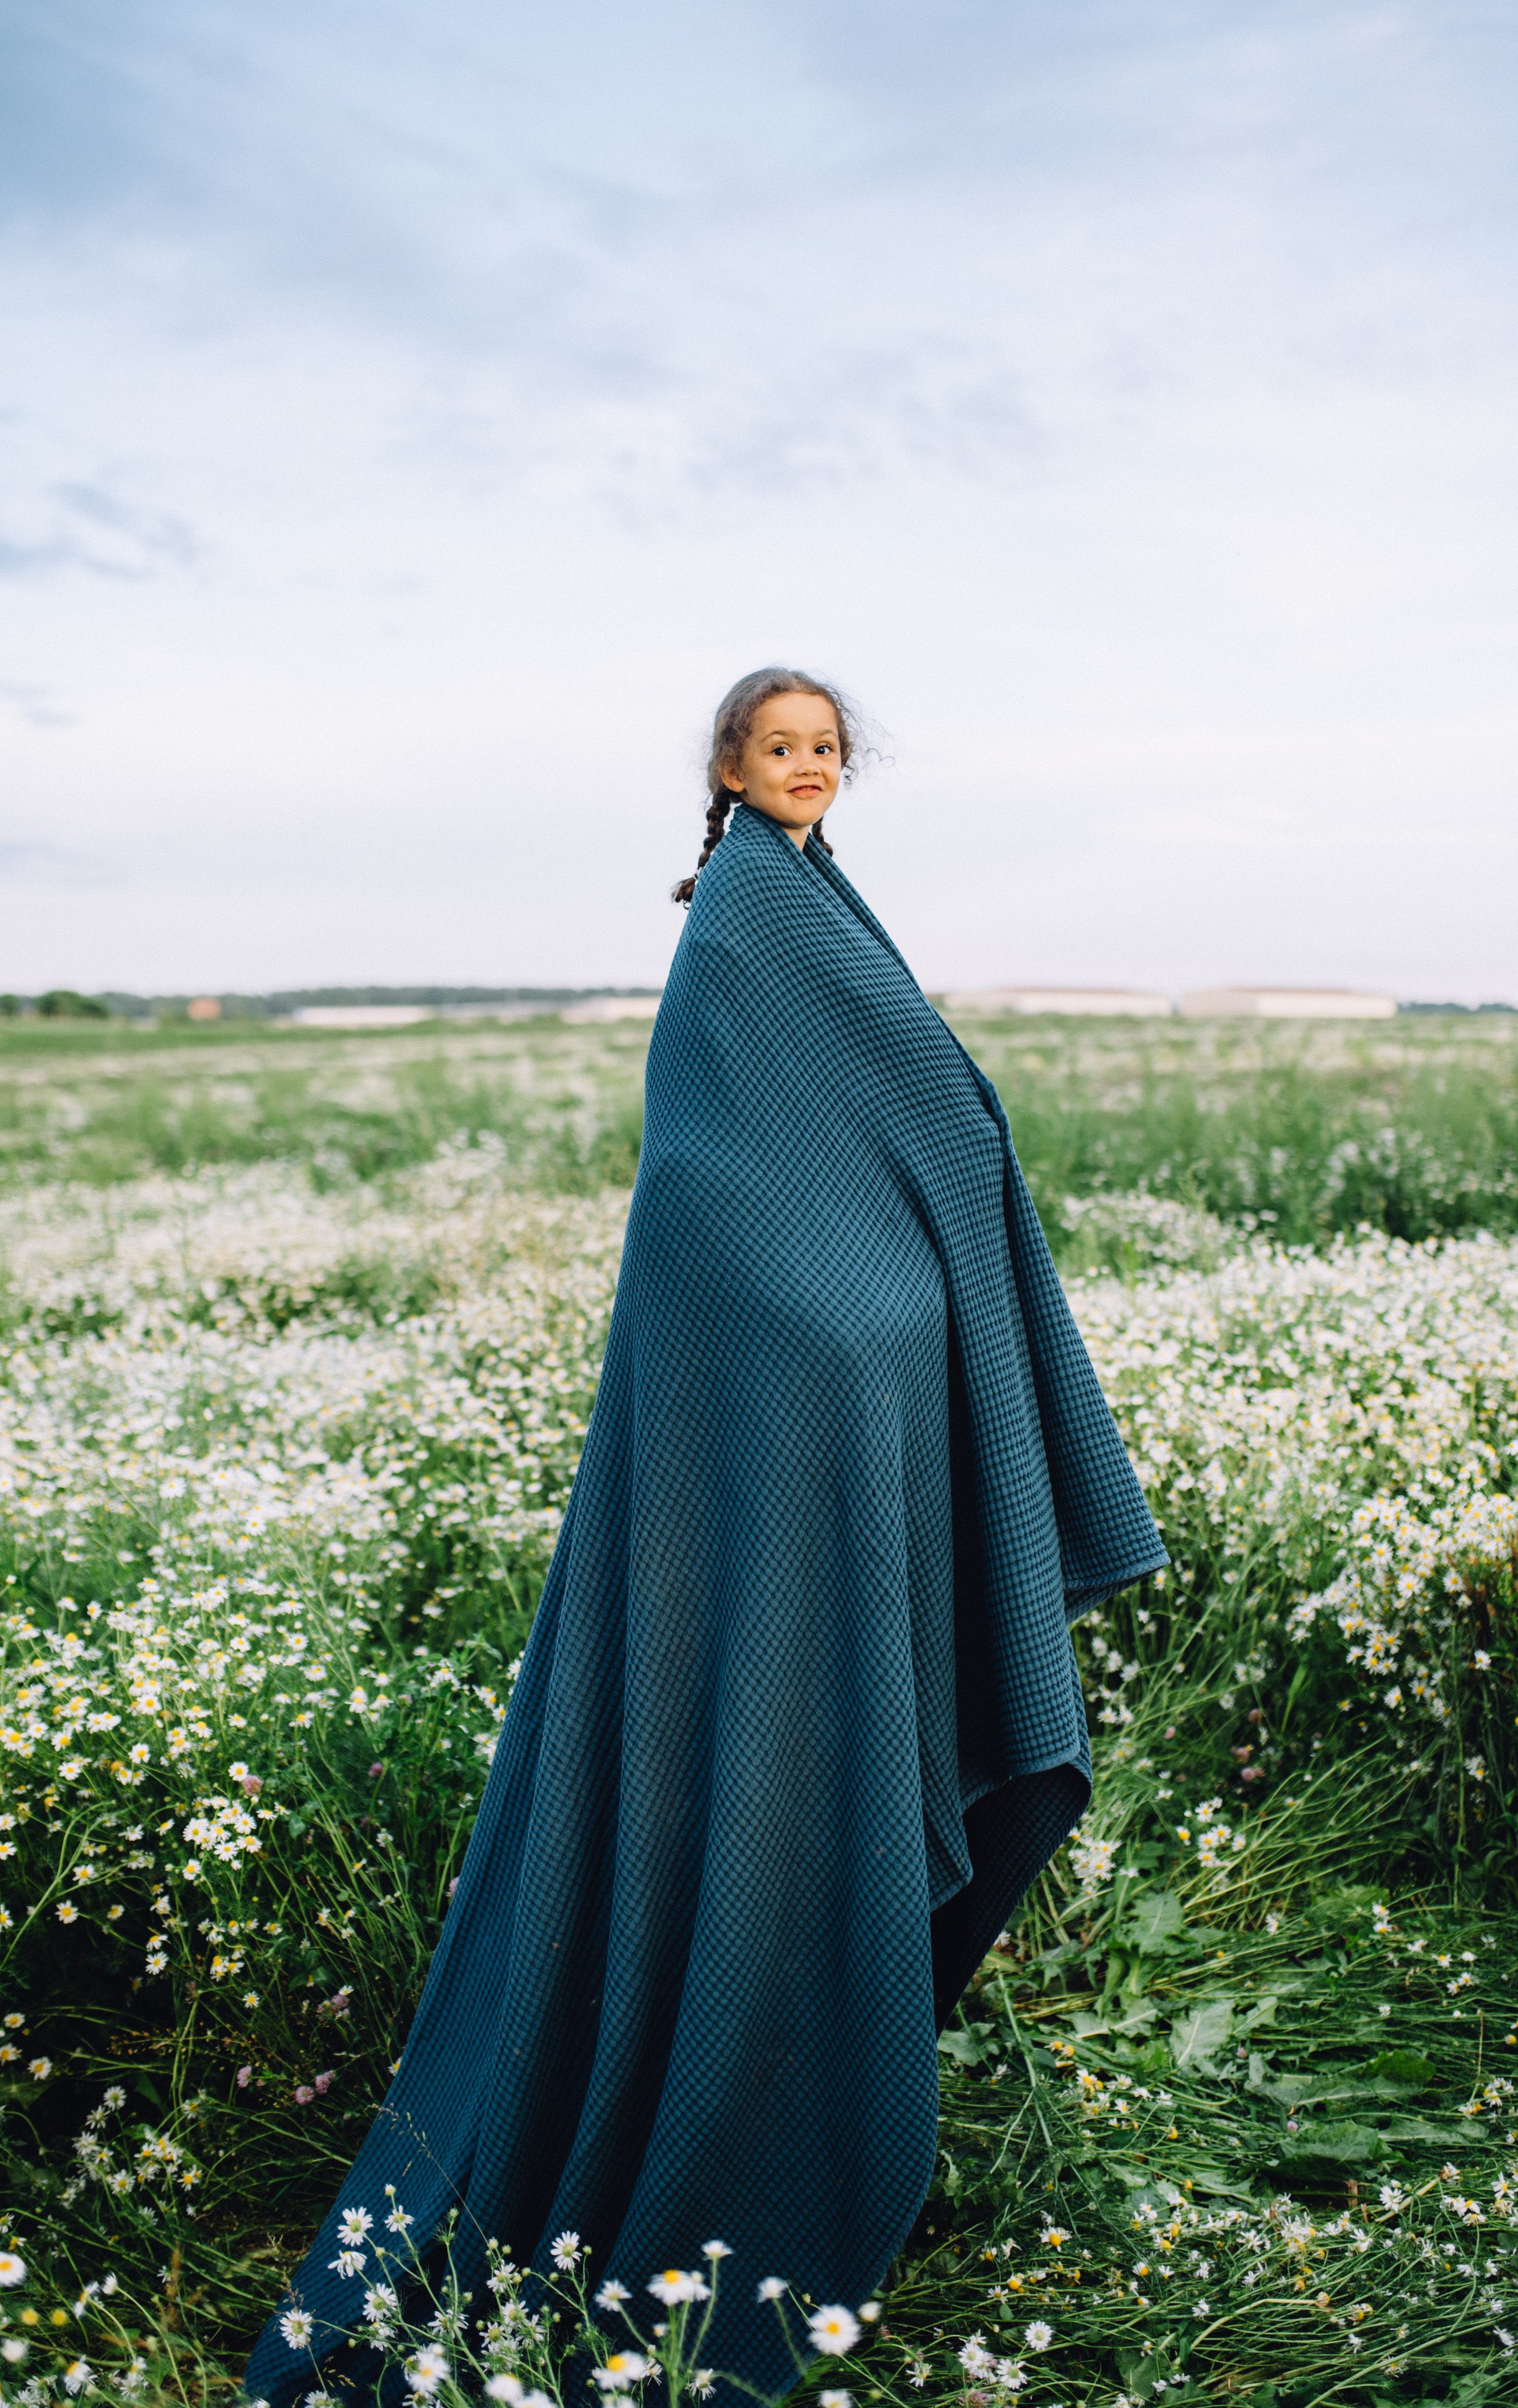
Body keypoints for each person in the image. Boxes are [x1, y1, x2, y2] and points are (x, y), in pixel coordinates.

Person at [246, 666, 1165, 2405]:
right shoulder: (748, 924)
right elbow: (716, 1180)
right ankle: (712, 2099)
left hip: (844, 1376)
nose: (809, 768)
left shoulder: (816, 900)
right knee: (736, 1723)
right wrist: (841, 1309)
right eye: (782, 748)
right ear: (729, 769)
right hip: (776, 1387)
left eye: (827, 750)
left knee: (816, 1717)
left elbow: (927, 1122)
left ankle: (788, 2040)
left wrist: (894, 1299)